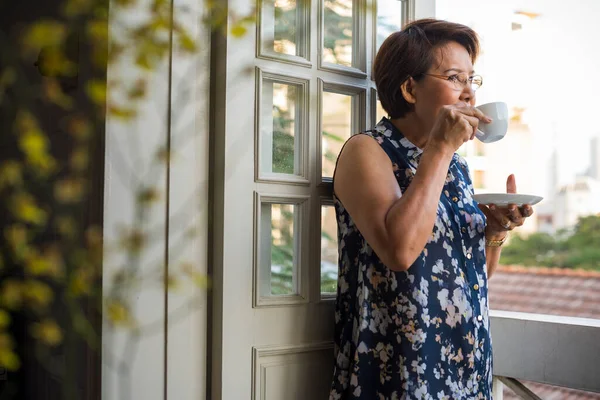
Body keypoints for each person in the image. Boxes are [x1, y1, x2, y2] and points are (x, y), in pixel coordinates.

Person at [329, 18, 534, 399]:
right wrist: (441, 148)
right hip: (402, 369)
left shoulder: (455, 166)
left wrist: (495, 232)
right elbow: (400, 251)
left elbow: (473, 277)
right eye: (455, 78)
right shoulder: (368, 151)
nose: (469, 93)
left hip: (466, 366)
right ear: (410, 88)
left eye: (473, 79)